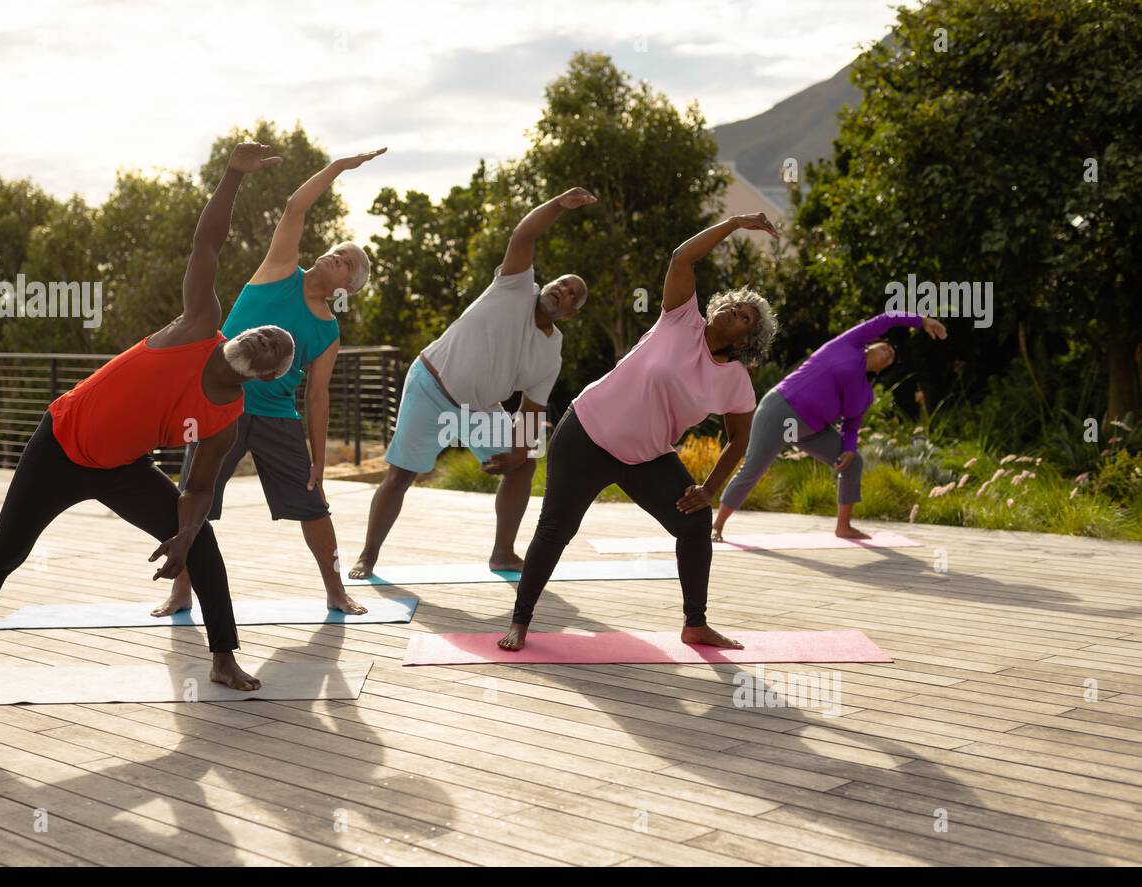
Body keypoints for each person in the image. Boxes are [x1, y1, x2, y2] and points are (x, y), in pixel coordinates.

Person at [0, 142, 294, 697]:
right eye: (258, 333)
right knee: (3, 554)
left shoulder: (225, 418)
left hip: (120, 468)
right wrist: (233, 175)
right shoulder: (198, 325)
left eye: (268, 349)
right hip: (59, 443)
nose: (258, 341)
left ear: (263, 375)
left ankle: (222, 658)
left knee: (204, 542)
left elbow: (200, 486)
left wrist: (184, 534)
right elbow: (207, 244)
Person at [499, 213, 781, 652]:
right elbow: (682, 256)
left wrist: (709, 487)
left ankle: (695, 624)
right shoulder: (681, 318)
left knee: (695, 522)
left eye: (744, 317)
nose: (733, 310)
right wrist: (735, 222)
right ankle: (520, 621)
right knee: (556, 529)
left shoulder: (735, 380)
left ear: (747, 340)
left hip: (646, 456)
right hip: (587, 433)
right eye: (734, 303)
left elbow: (739, 441)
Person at [154, 148, 386, 619]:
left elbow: (317, 397)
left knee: (314, 507)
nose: (335, 254)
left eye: (345, 260)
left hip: (278, 417)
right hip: (222, 404)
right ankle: (180, 592)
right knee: (192, 501)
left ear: (347, 286)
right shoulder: (280, 270)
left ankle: (336, 590)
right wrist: (338, 168)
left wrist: (320, 461)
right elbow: (295, 207)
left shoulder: (328, 330)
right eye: (337, 249)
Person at [349, 187, 596, 580]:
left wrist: (518, 451)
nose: (561, 290)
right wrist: (557, 205)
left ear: (571, 313)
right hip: (430, 385)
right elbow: (524, 236)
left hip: (477, 409)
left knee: (525, 463)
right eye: (561, 283)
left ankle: (502, 554)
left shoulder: (550, 353)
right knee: (400, 474)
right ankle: (368, 557)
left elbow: (531, 411)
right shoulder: (515, 286)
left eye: (571, 295)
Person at [713, 312, 947, 540]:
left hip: (810, 430)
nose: (889, 353)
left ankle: (843, 527)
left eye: (891, 358)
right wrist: (921, 321)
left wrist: (848, 449)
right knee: (753, 469)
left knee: (853, 462)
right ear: (872, 344)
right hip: (782, 411)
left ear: (880, 370)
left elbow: (851, 426)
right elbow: (886, 319)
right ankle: (717, 526)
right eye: (886, 348)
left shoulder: (866, 394)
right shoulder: (849, 344)